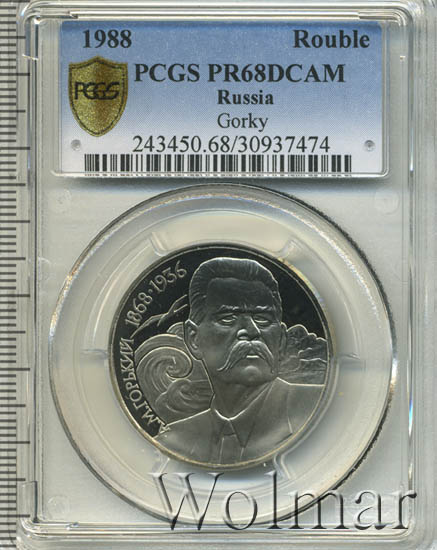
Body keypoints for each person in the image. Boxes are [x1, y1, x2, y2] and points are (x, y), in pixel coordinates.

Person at [156, 257, 323, 466]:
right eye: (228, 318)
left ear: (281, 340)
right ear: (193, 338)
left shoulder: (323, 412)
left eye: (263, 319)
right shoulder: (173, 441)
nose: (251, 331)